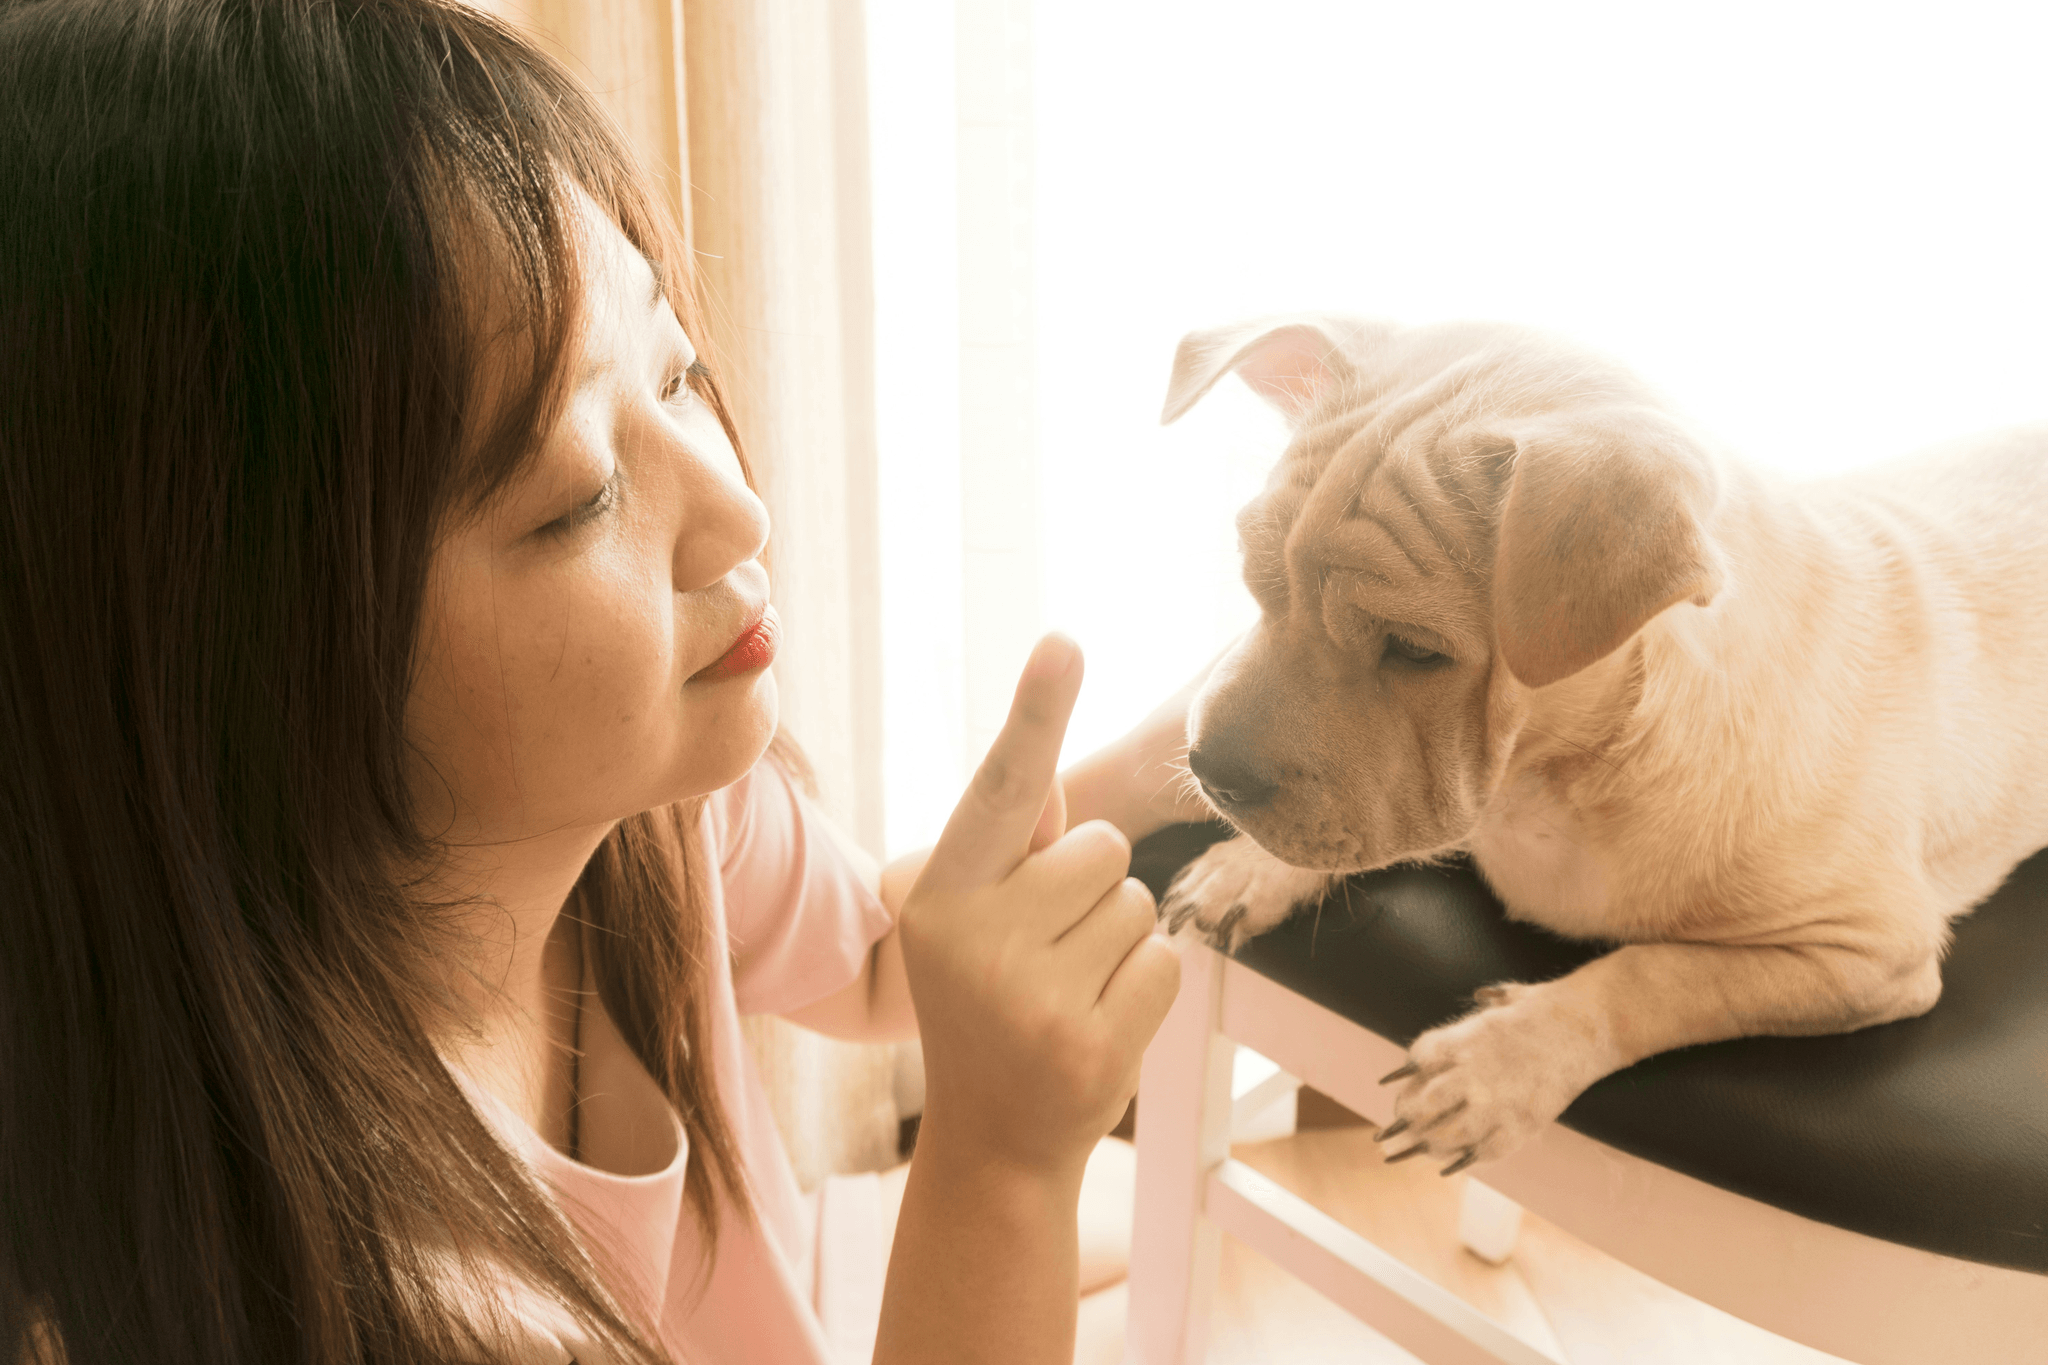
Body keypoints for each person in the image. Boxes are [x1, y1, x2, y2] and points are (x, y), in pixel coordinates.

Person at [0, 1, 1214, 1361]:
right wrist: (998, 1167)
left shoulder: (662, 820)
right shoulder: (345, 1300)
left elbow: (883, 962)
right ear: (252, 671)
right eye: (579, 495)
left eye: (679, 371)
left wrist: (1210, 737)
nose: (737, 514)